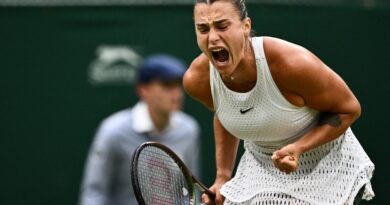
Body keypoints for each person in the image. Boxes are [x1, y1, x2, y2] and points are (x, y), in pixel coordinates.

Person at [183, 0, 375, 204]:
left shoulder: (292, 64)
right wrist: (222, 177)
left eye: (222, 26)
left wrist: (298, 148)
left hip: (327, 166)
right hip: (262, 167)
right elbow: (227, 112)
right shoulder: (198, 79)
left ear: (245, 27)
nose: (212, 38)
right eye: (203, 29)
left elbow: (348, 110)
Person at [79, 54, 201, 205]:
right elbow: (94, 194)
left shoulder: (189, 130)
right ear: (143, 90)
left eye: (178, 85)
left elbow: (190, 190)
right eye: (167, 85)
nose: (177, 94)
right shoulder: (113, 131)